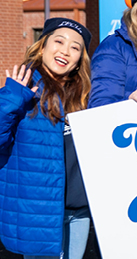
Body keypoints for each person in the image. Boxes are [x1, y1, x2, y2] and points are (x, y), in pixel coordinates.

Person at [0, 18, 92, 259]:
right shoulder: (22, 91)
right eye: (59, 41)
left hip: (79, 212)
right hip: (39, 215)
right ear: (42, 47)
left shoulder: (86, 96)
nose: (65, 50)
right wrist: (11, 98)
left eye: (75, 47)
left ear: (78, 61)